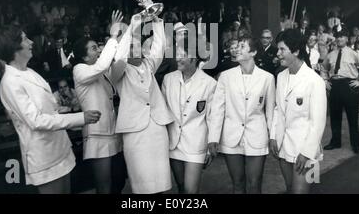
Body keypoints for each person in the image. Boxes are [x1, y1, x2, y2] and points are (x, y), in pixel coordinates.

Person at [0, 25, 100, 193]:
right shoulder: (10, 82)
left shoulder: (29, 71)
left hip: (59, 148)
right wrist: (81, 118)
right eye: (25, 39)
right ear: (14, 47)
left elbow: (51, 109)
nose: (31, 42)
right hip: (43, 156)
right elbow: (36, 121)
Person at [111, 11, 174, 194]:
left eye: (138, 46)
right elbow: (120, 56)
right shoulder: (117, 71)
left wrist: (156, 21)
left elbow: (159, 46)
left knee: (161, 181)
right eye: (131, 46)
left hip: (157, 129)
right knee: (142, 184)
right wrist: (132, 26)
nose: (136, 49)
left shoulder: (149, 65)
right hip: (134, 132)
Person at [210, 37, 275, 194]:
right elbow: (218, 109)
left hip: (257, 135)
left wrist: (272, 136)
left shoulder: (267, 78)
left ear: (253, 52)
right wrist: (213, 138)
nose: (237, 49)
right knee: (237, 183)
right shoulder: (225, 76)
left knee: (255, 184)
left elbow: (270, 111)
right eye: (236, 46)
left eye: (242, 46)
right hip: (231, 136)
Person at [72, 10, 126, 194]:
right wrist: (111, 36)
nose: (99, 49)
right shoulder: (79, 70)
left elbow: (113, 66)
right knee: (104, 186)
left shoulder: (101, 71)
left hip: (113, 132)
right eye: (94, 48)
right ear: (84, 56)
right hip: (97, 135)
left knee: (118, 181)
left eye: (98, 46)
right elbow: (103, 63)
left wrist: (120, 38)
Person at [270, 29, 327, 194]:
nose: (278, 54)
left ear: (295, 51)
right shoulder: (281, 76)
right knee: (289, 189)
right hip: (284, 146)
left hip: (307, 149)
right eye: (278, 49)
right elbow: (277, 109)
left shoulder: (315, 80)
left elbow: (318, 122)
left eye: (282, 49)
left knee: (301, 192)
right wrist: (274, 136)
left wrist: (307, 153)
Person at [161, 42, 217, 194]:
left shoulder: (210, 83)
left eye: (183, 55)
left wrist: (210, 146)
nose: (178, 59)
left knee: (190, 190)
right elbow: (164, 110)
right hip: (173, 142)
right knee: (181, 187)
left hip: (196, 143)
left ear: (194, 58)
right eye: (177, 55)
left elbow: (213, 117)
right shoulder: (168, 79)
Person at [321, 28, 359, 154]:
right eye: (338, 36)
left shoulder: (354, 54)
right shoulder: (330, 54)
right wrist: (325, 81)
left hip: (349, 86)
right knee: (335, 116)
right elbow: (323, 68)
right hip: (335, 86)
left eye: (343, 36)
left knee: (352, 117)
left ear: (347, 39)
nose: (340, 39)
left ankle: (355, 145)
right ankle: (335, 142)